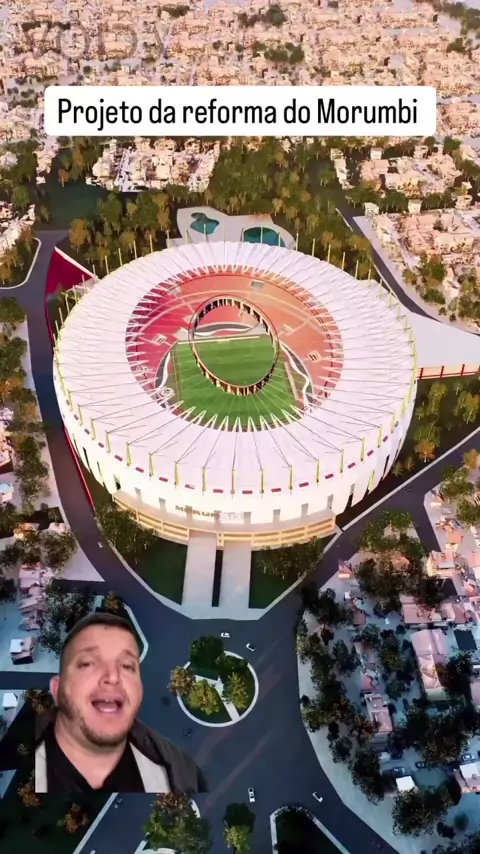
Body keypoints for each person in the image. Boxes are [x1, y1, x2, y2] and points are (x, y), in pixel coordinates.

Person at [35, 612, 207, 794]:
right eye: (88, 663)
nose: (113, 677)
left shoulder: (185, 773)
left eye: (127, 666)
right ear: (57, 690)